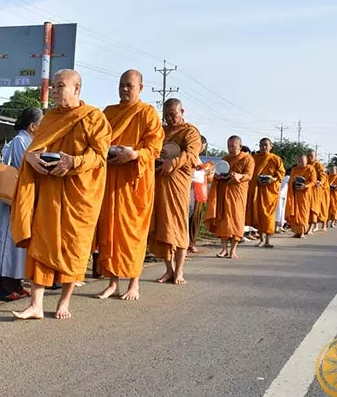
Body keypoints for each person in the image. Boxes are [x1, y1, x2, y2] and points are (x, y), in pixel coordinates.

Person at [9, 69, 110, 320]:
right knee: (41, 244)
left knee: (73, 247)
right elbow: (34, 149)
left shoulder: (94, 118)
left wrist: (74, 161)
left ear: (76, 89)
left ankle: (64, 301)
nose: (54, 90)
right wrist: (31, 158)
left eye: (60, 86)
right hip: (50, 192)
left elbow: (99, 155)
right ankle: (36, 304)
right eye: (53, 86)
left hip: (79, 195)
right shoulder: (50, 118)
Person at [95, 70, 164, 301]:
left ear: (141, 88)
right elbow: (98, 139)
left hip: (136, 182)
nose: (125, 89)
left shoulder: (147, 113)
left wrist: (134, 154)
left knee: (133, 233)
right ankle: (113, 282)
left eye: (130, 86)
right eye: (122, 85)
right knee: (110, 231)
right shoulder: (109, 112)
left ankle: (134, 283)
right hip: (111, 178)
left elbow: (154, 148)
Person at [0, 107, 43, 300]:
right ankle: (5, 289)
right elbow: (24, 166)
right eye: (41, 123)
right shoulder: (21, 141)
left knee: (17, 244)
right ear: (33, 126)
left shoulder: (28, 140)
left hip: (21, 199)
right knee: (7, 244)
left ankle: (17, 284)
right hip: (10, 198)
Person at [149, 98, 201, 285]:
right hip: (160, 181)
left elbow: (191, 154)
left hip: (177, 183)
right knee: (162, 225)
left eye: (174, 114)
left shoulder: (190, 132)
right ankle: (168, 269)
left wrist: (174, 163)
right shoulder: (161, 132)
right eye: (167, 115)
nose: (170, 118)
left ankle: (179, 271)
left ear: (182, 112)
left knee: (178, 225)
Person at [210, 136, 254, 259]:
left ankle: (233, 250)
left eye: (233, 146)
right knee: (223, 220)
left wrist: (239, 176)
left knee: (236, 221)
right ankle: (224, 249)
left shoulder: (248, 159)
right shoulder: (225, 159)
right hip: (224, 192)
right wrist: (218, 177)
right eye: (228, 146)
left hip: (238, 193)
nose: (230, 149)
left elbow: (249, 175)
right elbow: (218, 173)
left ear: (240, 146)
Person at [246, 138, 285, 248]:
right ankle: (261, 239)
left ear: (271, 146)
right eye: (261, 145)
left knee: (268, 216)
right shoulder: (254, 158)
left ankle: (268, 240)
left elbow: (281, 174)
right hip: (258, 190)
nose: (264, 147)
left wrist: (272, 179)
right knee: (259, 215)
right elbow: (250, 172)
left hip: (270, 192)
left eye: (266, 145)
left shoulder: (276, 159)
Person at [286, 155, 316, 238]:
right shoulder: (294, 169)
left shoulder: (310, 169)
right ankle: (296, 232)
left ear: (306, 161)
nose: (301, 163)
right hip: (295, 193)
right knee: (295, 212)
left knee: (303, 212)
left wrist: (305, 186)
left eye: (302, 161)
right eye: (299, 161)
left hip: (305, 194)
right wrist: (294, 181)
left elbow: (313, 181)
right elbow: (290, 180)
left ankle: (302, 232)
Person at [307, 150, 329, 234]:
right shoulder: (306, 165)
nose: (309, 157)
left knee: (314, 208)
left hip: (316, 189)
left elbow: (322, 175)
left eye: (311, 156)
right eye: (308, 155)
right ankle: (310, 226)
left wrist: (320, 182)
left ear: (315, 157)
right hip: (307, 189)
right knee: (307, 209)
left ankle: (314, 227)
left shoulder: (318, 165)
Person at [275, 167, 291, 233]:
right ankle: (276, 228)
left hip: (283, 196)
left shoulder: (285, 178)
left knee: (281, 212)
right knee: (279, 213)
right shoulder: (288, 178)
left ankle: (280, 227)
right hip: (281, 196)